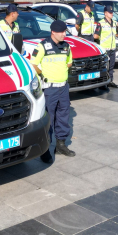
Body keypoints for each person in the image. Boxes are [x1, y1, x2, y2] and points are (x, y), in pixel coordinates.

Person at [30, 20, 76, 157]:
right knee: (49, 117)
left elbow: (69, 63)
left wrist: (59, 72)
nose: (64, 35)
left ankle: (61, 145)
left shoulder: (66, 46)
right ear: (53, 32)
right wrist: (44, 75)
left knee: (63, 116)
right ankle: (45, 150)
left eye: (65, 32)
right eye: (61, 32)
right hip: (49, 89)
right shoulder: (42, 46)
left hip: (63, 87)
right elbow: (33, 65)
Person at [94, 5, 118, 88]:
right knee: (104, 67)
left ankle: (110, 81)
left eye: (112, 12)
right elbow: (96, 36)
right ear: (105, 13)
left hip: (112, 48)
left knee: (111, 67)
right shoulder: (101, 23)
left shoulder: (115, 23)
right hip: (105, 49)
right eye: (109, 12)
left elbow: (117, 33)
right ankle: (102, 83)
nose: (111, 14)